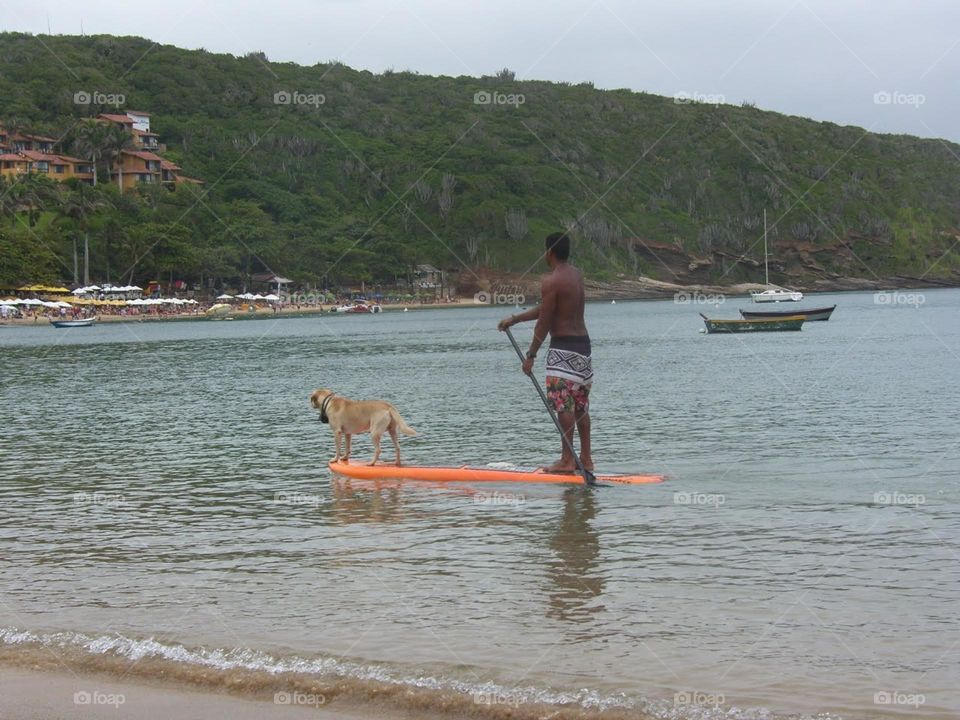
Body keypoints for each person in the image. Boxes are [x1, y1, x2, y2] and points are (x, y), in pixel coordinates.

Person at [498, 232, 593, 472]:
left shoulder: (551, 281)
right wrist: (516, 318)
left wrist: (531, 355)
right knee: (580, 405)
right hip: (583, 346)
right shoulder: (576, 276)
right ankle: (586, 458)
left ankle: (567, 460)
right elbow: (547, 307)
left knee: (564, 405)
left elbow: (545, 321)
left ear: (549, 251)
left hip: (563, 347)